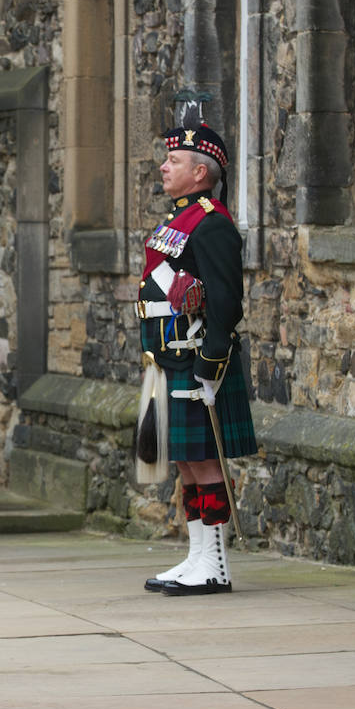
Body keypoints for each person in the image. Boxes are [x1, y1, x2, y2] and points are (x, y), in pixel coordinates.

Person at [135, 100, 257, 596]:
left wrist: (211, 364)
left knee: (205, 463)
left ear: (201, 172)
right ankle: (196, 556)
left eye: (175, 161)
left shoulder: (212, 224)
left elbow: (226, 304)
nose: (165, 166)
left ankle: (217, 566)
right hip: (168, 357)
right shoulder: (181, 220)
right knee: (186, 462)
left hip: (195, 358)